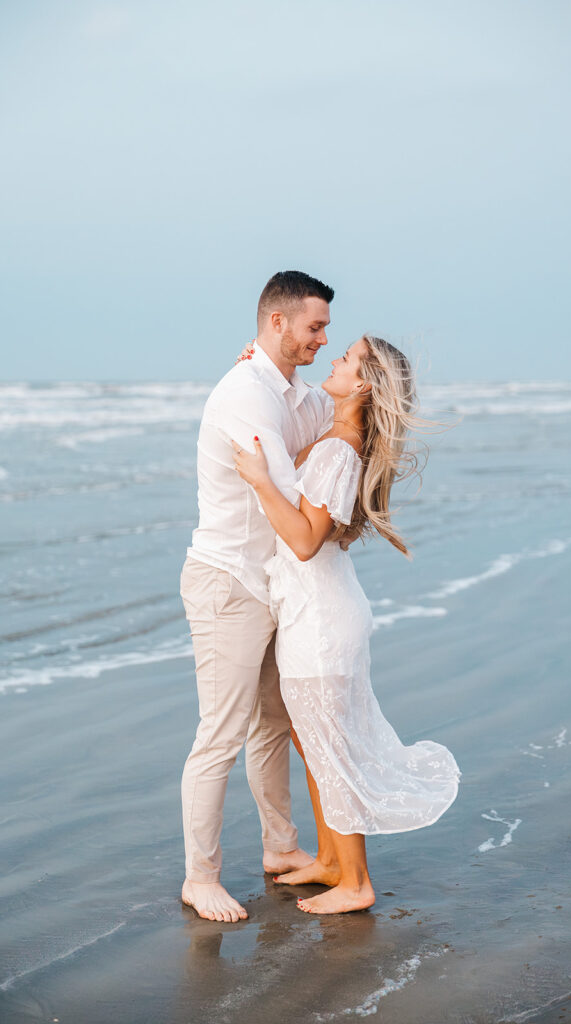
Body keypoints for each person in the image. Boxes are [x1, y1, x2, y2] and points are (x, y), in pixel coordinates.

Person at [233, 334, 461, 914]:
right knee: (313, 743)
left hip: (322, 621)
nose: (333, 359)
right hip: (320, 611)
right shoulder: (334, 437)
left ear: (363, 384)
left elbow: (306, 541)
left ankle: (355, 883)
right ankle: (332, 860)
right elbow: (294, 413)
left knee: (330, 746)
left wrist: (259, 480)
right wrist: (258, 370)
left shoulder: (339, 449)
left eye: (347, 358)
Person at [180, 270, 336, 923]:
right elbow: (287, 493)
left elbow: (331, 421)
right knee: (219, 735)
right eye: (314, 327)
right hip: (228, 583)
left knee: (273, 721)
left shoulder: (286, 388)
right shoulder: (246, 393)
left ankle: (280, 848)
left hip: (268, 581)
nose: (322, 340)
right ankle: (200, 877)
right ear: (276, 322)